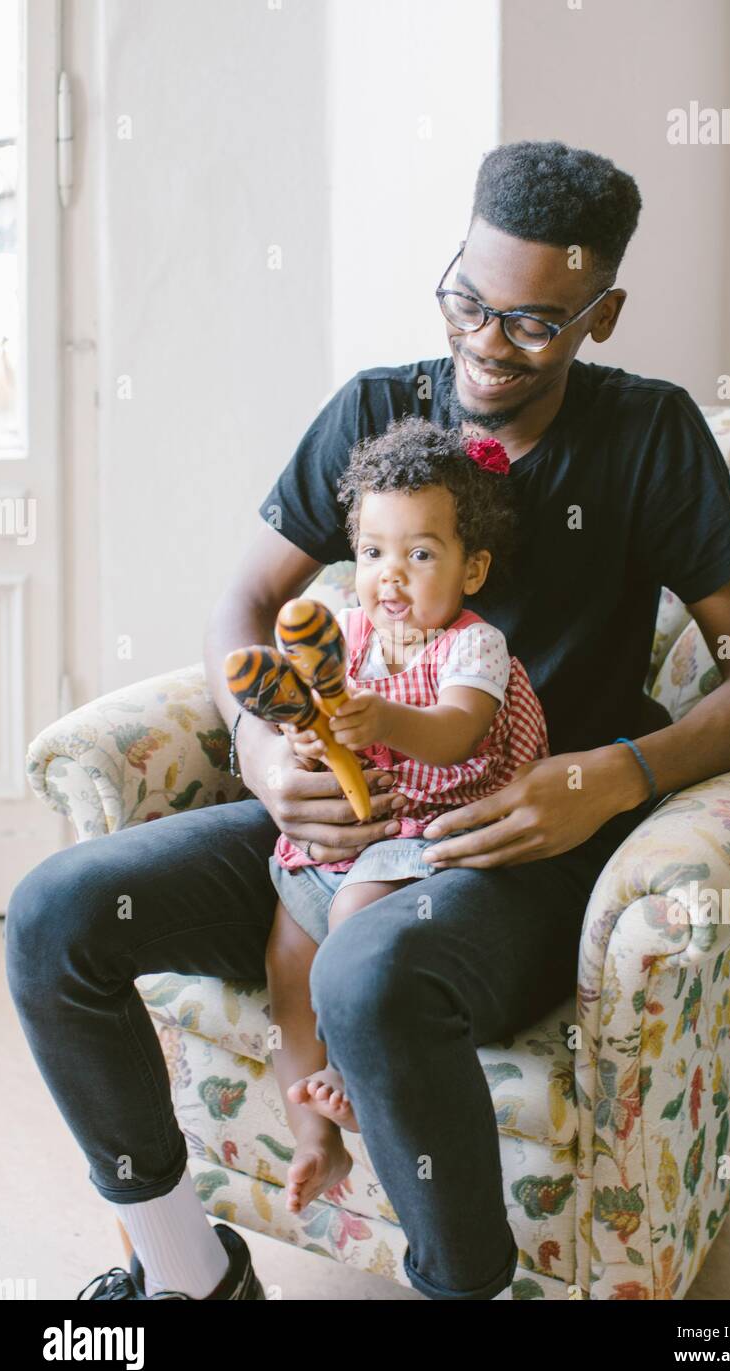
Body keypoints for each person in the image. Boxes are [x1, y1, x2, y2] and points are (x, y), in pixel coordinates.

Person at [5, 140, 730, 1302]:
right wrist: (259, 742)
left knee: (366, 977)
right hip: (343, 822)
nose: (484, 342)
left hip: (512, 856)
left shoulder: (648, 437)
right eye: (466, 301)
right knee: (52, 914)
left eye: (532, 323)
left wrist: (606, 777)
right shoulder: (378, 409)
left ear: (600, 313)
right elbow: (247, 598)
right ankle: (187, 1273)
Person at [264, 416, 551, 1217]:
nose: (391, 576)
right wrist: (308, 736)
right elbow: (320, 730)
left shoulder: (473, 647)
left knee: (355, 923)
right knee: (287, 950)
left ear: (472, 568)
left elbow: (454, 731)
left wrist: (380, 717)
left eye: (420, 554)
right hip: (361, 824)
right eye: (372, 553)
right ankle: (314, 1138)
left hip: (436, 824)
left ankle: (351, 1077)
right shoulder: (346, 632)